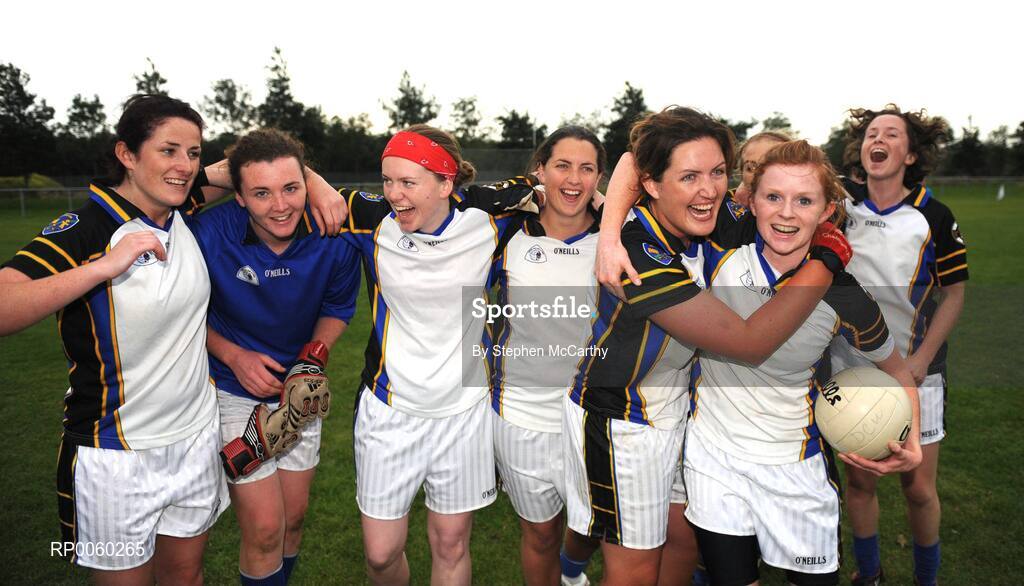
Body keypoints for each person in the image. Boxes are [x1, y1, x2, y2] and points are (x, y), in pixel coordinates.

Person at [568, 106, 850, 586]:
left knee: (683, 543)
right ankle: (569, 568)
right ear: (654, 185)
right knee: (636, 567)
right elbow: (748, 342)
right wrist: (826, 259)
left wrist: (822, 229)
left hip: (685, 414)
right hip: (623, 421)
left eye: (718, 172)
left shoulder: (715, 218)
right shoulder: (639, 250)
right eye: (690, 176)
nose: (709, 189)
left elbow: (799, 209)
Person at [0, 94, 223, 585]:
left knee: (186, 578)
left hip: (194, 440)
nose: (185, 166)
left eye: (194, 152)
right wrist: (102, 267)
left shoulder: (181, 204)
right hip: (114, 457)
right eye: (168, 150)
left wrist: (312, 182)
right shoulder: (87, 228)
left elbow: (251, 169)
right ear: (127, 154)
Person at [684, 139, 923, 586]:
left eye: (804, 200)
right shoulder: (717, 246)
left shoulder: (844, 294)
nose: (787, 213)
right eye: (773, 197)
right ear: (750, 200)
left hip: (796, 466)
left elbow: (896, 370)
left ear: (827, 210)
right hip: (715, 458)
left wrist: (913, 440)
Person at [336, 124, 538, 585]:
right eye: (387, 180)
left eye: (408, 183)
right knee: (381, 554)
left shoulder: (489, 221)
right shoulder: (370, 220)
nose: (394, 194)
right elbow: (281, 177)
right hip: (390, 411)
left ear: (446, 184)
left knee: (451, 544)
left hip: (462, 412)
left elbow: (557, 188)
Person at [189, 128, 361, 585]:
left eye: (291, 187)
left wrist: (312, 360)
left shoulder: (334, 234)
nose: (280, 205)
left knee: (292, 522)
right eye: (261, 193)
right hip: (230, 386)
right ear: (239, 197)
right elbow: (179, 311)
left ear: (307, 183)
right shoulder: (207, 231)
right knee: (265, 528)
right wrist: (234, 355)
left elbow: (337, 307)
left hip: (295, 394)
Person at [834, 105, 964, 586]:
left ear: (910, 153)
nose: (878, 139)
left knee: (918, 488)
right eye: (871, 133)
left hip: (918, 372)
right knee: (860, 480)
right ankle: (869, 574)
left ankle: (925, 579)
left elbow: (954, 294)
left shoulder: (933, 214)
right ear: (862, 147)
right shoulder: (840, 204)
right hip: (851, 370)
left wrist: (922, 360)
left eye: (891, 134)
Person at [485, 126, 606, 586]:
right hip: (521, 413)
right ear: (540, 171)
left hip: (594, 413)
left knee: (591, 527)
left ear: (600, 177)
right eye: (562, 165)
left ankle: (572, 570)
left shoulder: (620, 238)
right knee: (538, 533)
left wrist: (609, 208)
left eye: (587, 168)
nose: (573, 179)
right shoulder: (505, 234)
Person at [730, 130, 791, 208]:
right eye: (750, 169)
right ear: (742, 173)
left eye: (772, 167)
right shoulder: (722, 206)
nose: (758, 176)